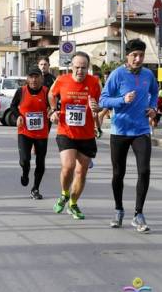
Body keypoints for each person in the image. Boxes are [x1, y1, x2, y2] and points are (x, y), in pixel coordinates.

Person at [99, 39, 158, 233]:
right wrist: (122, 100)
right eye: (134, 55)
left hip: (141, 130)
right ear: (127, 56)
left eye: (141, 55)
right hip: (120, 131)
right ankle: (118, 210)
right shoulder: (117, 74)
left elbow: (154, 92)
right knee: (118, 173)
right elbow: (103, 100)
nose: (138, 59)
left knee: (144, 171)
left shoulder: (148, 74)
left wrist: (153, 109)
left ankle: (138, 214)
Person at [48, 52, 101, 220]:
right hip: (66, 131)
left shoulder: (94, 82)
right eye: (77, 67)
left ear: (88, 68)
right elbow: (51, 94)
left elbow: (100, 105)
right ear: (71, 67)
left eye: (83, 68)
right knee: (68, 166)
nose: (80, 71)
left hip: (86, 134)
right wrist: (54, 110)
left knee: (81, 172)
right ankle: (64, 194)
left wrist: (96, 107)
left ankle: (73, 203)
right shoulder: (62, 80)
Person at [11, 67, 51, 200]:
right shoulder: (21, 91)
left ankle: (35, 188)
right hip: (24, 132)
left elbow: (53, 107)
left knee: (40, 162)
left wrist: (52, 112)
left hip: (41, 133)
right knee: (24, 160)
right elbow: (12, 106)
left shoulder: (46, 92)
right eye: (31, 77)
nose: (34, 79)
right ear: (27, 79)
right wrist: (18, 116)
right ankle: (25, 172)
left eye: (36, 76)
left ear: (41, 78)